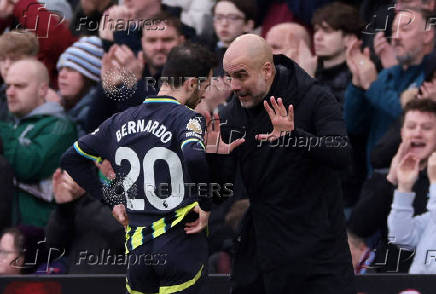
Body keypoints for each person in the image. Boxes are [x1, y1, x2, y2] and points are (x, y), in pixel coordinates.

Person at [61, 43, 217, 293]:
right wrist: (207, 205)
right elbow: (195, 158)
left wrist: (113, 200)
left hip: (138, 253)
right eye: (205, 86)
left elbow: (71, 158)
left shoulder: (118, 121)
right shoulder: (187, 118)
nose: (205, 95)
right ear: (190, 83)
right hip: (179, 245)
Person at [205, 33, 354, 294]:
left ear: (267, 69)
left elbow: (341, 154)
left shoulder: (314, 97)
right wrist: (214, 157)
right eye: (229, 76)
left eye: (241, 75)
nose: (234, 85)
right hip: (263, 249)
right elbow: (221, 194)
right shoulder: (231, 114)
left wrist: (294, 137)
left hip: (319, 251)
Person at [344, 7, 434, 173]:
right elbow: (353, 125)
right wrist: (357, 84)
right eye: (393, 30)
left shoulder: (431, 75)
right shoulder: (387, 75)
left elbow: (410, 115)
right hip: (376, 179)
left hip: (415, 177)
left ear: (428, 35)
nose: (396, 37)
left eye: (405, 29)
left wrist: (372, 85)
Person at [0, 60, 77, 227]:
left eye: (19, 86)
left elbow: (27, 165)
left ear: (42, 90)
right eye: (8, 86)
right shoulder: (11, 124)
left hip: (35, 236)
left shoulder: (61, 127)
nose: (10, 93)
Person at [387, 98, 436, 274]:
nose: (418, 133)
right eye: (411, 126)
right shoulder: (430, 218)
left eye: (427, 128)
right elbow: (402, 238)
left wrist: (435, 182)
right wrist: (404, 188)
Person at [56, 36, 104, 137]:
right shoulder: (54, 101)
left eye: (71, 69)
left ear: (89, 77)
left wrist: (55, 113)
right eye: (61, 69)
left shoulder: (93, 113)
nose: (62, 75)